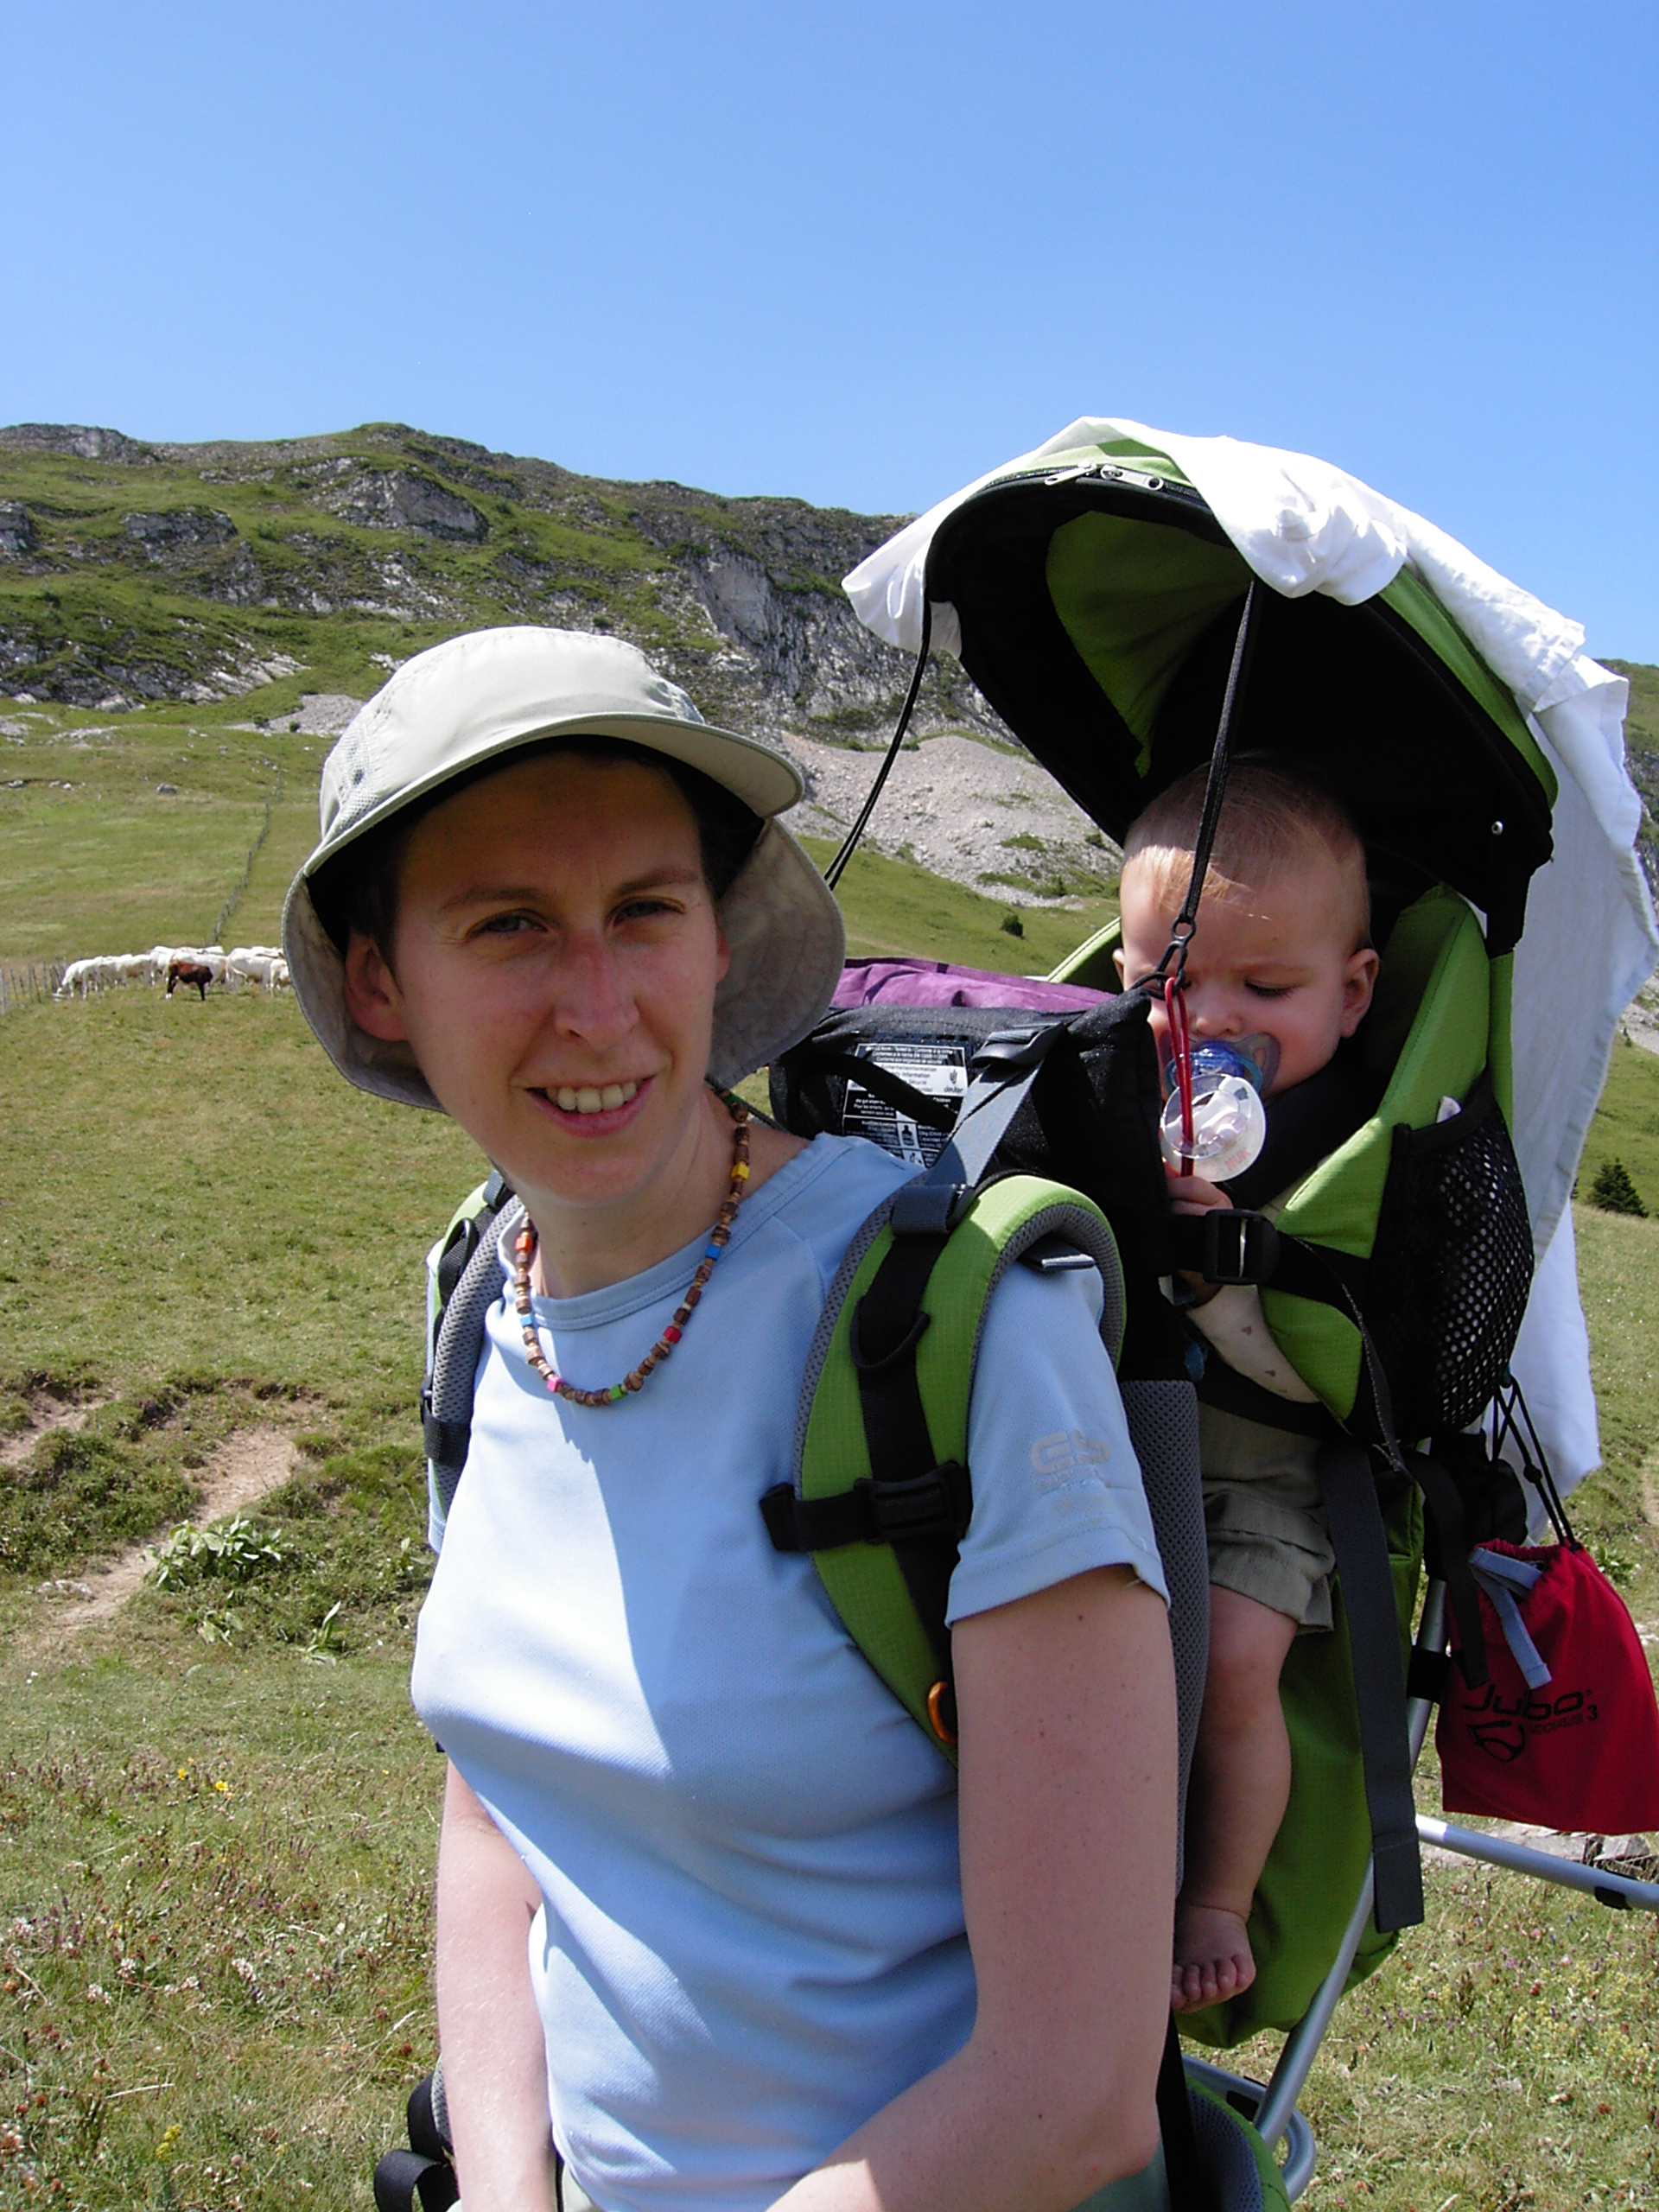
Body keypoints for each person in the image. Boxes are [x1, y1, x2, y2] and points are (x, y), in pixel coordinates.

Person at [283, 626, 1179, 2212]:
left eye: (645, 911)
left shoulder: (964, 1341)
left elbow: (1075, 2093)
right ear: (380, 979)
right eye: (508, 927)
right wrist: (505, 2190)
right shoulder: (484, 1297)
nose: (599, 1003)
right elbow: (503, 1793)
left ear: (716, 939)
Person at [1112, 762, 1381, 2017]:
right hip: (1107, 1456)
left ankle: (1216, 1893)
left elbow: (1348, 1383)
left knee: (1229, 1662)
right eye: (1165, 984)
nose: (1207, 1022)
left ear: (1352, 992)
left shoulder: (1363, 1153)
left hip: (1265, 1483)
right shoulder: (1119, 1089)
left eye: (1266, 990)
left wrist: (1222, 1268)